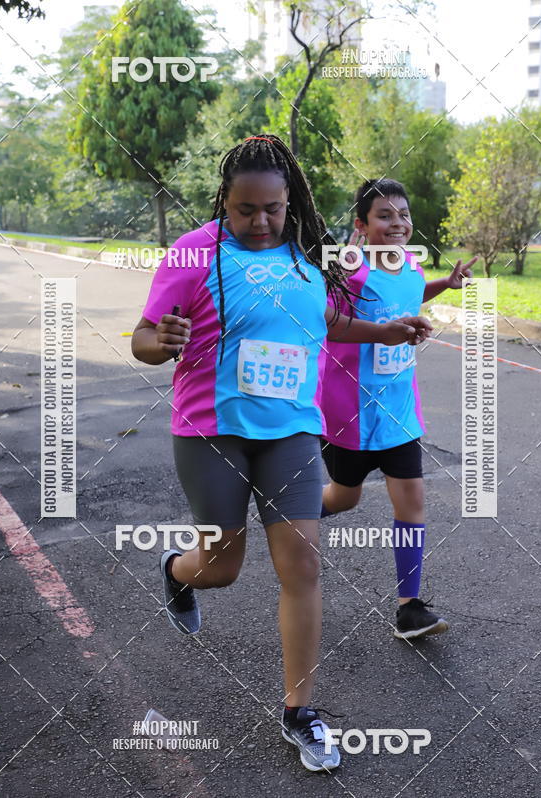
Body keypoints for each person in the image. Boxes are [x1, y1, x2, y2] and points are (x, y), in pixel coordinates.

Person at [131, 139, 432, 772]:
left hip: (294, 428)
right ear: (225, 202)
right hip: (212, 428)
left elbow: (325, 320)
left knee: (302, 565)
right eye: (246, 210)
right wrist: (163, 341)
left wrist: (385, 329)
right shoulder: (194, 250)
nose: (261, 222)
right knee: (222, 564)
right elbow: (145, 339)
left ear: (289, 201)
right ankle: (177, 571)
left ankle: (301, 712)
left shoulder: (308, 252)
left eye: (272, 208)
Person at [321, 177, 476, 640]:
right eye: (385, 216)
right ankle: (288, 508)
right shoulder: (351, 271)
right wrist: (375, 320)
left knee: (412, 501)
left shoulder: (408, 265)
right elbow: (325, 323)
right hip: (349, 412)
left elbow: (409, 293)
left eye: (403, 214)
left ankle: (409, 607)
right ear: (362, 226)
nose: (398, 223)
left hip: (399, 412)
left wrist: (444, 285)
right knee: (342, 498)